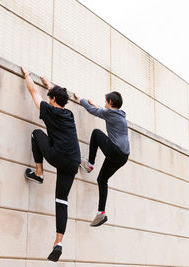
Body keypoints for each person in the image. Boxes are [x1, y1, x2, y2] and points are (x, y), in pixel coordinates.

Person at [21, 67, 80, 262]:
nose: (48, 100)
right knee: (61, 200)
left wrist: (27, 75)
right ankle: (58, 242)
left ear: (53, 100)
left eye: (50, 97)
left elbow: (33, 93)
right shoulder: (69, 114)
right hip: (73, 162)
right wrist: (49, 85)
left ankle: (39, 173)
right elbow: (55, 96)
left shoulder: (48, 110)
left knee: (36, 134)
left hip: (57, 156)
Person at [74, 92, 130, 227]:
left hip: (115, 151)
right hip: (123, 156)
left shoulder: (109, 114)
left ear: (110, 102)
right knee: (102, 180)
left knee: (96, 133)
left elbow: (91, 110)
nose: (104, 103)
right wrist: (97, 106)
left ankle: (90, 164)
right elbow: (103, 111)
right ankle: (101, 213)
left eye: (105, 101)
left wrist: (80, 98)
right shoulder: (120, 115)